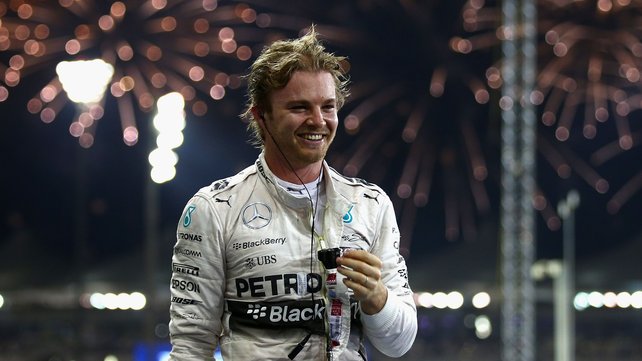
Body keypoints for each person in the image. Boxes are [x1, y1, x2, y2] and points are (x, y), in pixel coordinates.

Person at [168, 26, 417, 360]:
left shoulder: (370, 205)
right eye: (299, 107)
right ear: (261, 117)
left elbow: (398, 343)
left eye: (328, 107)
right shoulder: (213, 209)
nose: (318, 121)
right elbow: (190, 347)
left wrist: (377, 298)